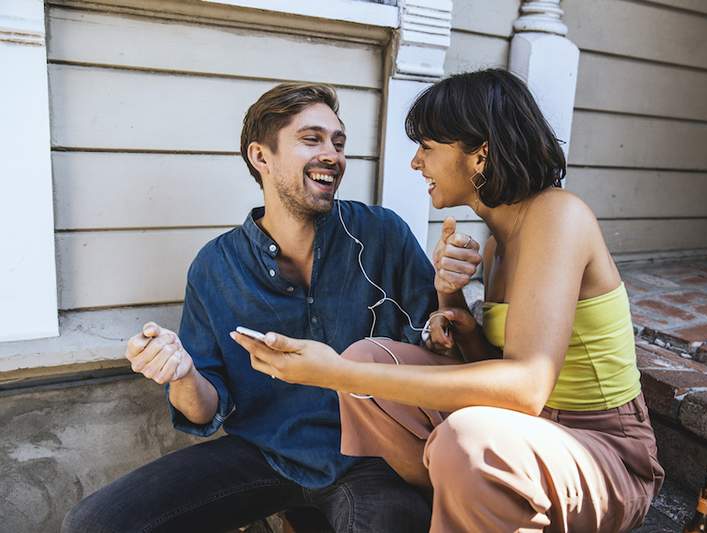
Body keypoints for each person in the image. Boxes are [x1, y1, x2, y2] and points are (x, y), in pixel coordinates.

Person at [230, 69, 665, 533]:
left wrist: (334, 372)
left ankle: (465, 493)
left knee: (461, 437)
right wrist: (454, 308)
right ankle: (454, 502)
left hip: (603, 451)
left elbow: (526, 388)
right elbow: (499, 372)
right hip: (530, 432)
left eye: (429, 147)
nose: (418, 163)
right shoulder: (500, 237)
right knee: (372, 357)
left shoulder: (557, 216)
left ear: (481, 154)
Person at [62, 83, 444, 533]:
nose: (333, 155)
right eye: (312, 139)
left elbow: (435, 346)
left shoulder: (383, 234)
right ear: (260, 156)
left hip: (373, 459)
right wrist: (183, 373)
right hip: (264, 452)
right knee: (93, 524)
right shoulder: (215, 265)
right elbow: (203, 411)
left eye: (339, 143)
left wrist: (449, 305)